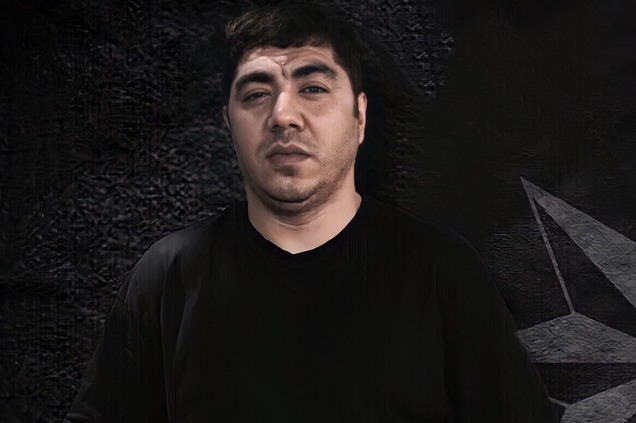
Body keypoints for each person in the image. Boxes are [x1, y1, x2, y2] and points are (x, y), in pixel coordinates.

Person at [65, 2, 556, 422]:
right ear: (229, 124)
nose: (283, 115)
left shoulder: (443, 273)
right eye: (256, 94)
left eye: (314, 88)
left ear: (359, 117)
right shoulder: (166, 278)